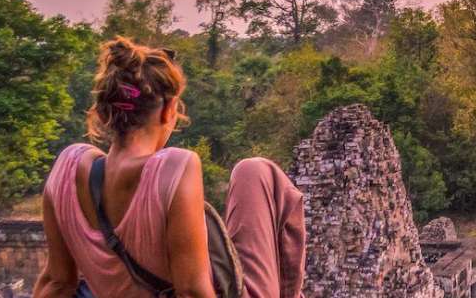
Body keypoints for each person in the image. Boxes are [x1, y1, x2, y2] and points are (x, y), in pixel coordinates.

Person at [32, 37, 306, 298]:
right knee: (255, 171)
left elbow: (57, 282)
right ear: (169, 109)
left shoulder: (67, 169)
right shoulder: (173, 167)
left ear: (103, 113)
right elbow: (192, 292)